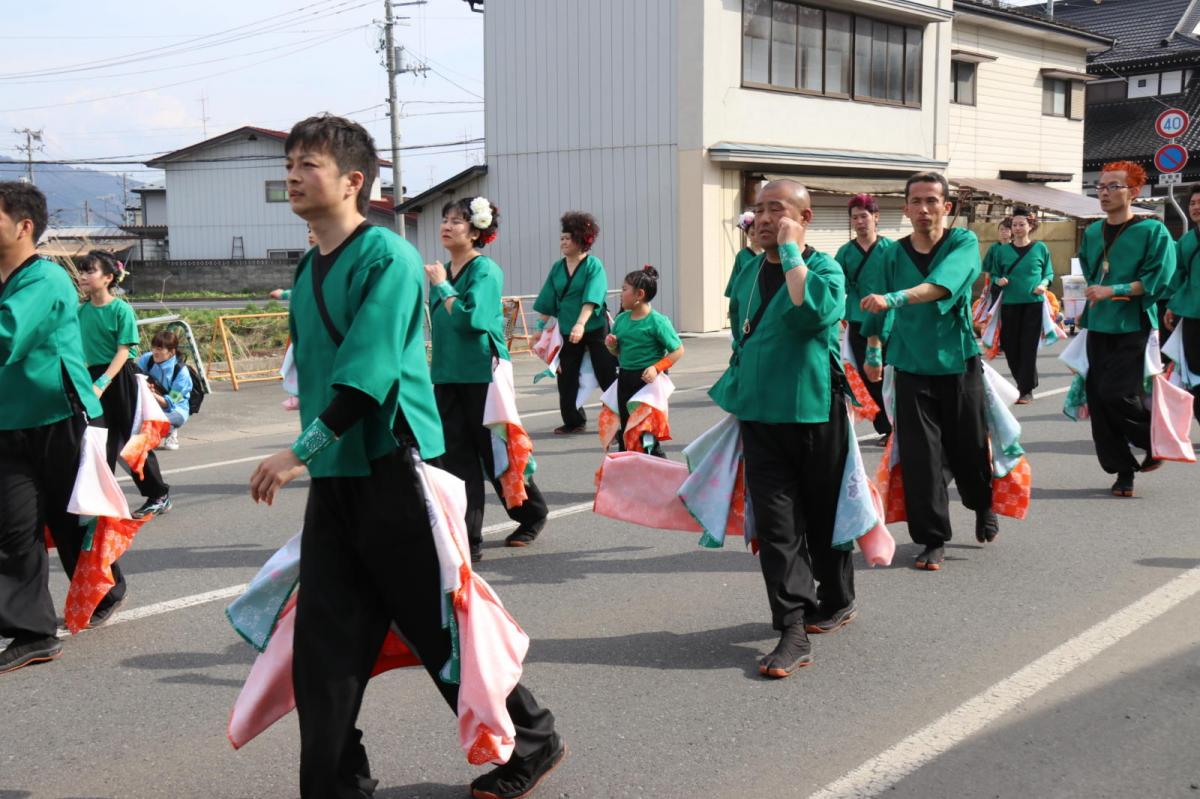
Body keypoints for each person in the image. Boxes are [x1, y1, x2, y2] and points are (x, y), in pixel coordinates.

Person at [247, 115, 562, 799]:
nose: (293, 174)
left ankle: (532, 736)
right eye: (291, 163)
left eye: (310, 164)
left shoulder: (384, 258)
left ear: (354, 181)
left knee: (437, 626)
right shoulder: (309, 268)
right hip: (337, 478)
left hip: (391, 468)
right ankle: (332, 783)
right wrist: (313, 455)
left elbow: (366, 378)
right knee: (323, 643)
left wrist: (298, 451)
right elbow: (315, 371)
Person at [709, 179, 855, 678]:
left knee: (823, 519)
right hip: (760, 414)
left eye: (777, 210)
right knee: (778, 527)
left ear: (804, 218)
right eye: (759, 210)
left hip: (815, 412)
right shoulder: (749, 268)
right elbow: (740, 327)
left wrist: (791, 250)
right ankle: (791, 627)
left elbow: (811, 311)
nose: (764, 218)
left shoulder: (824, 267)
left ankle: (836, 597)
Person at [861, 172, 998, 570]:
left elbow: (944, 285)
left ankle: (981, 503)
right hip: (910, 364)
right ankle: (932, 537)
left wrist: (895, 298)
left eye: (932, 201)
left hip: (957, 362)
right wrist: (873, 348)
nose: (923, 209)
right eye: (915, 202)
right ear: (905, 209)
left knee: (969, 448)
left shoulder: (963, 242)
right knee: (922, 456)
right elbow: (875, 306)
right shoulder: (890, 253)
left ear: (946, 207)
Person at [0, 182, 108, 672]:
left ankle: (104, 585)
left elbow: (7, 337)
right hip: (8, 423)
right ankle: (33, 631)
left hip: (61, 416)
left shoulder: (44, 280)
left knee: (73, 518)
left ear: (24, 227)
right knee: (14, 527)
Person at [425, 196, 550, 560]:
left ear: (477, 230)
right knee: (455, 459)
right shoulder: (443, 271)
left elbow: (472, 321)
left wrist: (444, 288)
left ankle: (532, 513)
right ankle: (468, 539)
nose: (447, 226)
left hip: (484, 373)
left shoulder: (485, 271)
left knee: (495, 450)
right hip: (448, 374)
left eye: (458, 221)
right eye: (446, 219)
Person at [1077, 161, 1176, 497]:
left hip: (1133, 325)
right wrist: (1089, 299)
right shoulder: (1091, 232)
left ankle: (1155, 440)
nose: (1103, 193)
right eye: (1100, 187)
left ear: (1133, 191)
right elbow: (1091, 274)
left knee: (1117, 394)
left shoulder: (1153, 230)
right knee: (1099, 401)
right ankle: (1123, 473)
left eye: (1112, 187)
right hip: (1098, 325)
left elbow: (1158, 279)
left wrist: (1114, 290)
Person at [76, 250, 172, 520]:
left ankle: (158, 494)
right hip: (92, 379)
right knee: (97, 442)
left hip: (119, 378)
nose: (83, 276)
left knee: (132, 441)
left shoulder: (121, 309)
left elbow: (123, 351)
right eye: (81, 271)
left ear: (108, 278)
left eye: (89, 271)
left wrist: (102, 382)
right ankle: (101, 501)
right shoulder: (79, 311)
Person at [533, 211, 617, 434]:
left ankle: (620, 419)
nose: (563, 241)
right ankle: (574, 420)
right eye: (562, 238)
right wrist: (538, 329)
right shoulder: (557, 268)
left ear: (582, 240)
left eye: (568, 238)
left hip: (594, 327)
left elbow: (592, 297)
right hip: (568, 329)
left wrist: (581, 324)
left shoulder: (593, 265)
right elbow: (548, 299)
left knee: (606, 372)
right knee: (566, 375)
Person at [834, 193, 896, 445]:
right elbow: (836, 286)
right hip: (858, 321)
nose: (860, 222)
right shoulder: (845, 252)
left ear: (876, 217)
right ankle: (886, 427)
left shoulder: (890, 248)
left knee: (892, 375)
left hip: (889, 320)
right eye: (855, 218)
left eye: (864, 216)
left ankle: (898, 424)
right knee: (868, 376)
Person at [604, 265, 684, 456]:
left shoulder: (657, 321)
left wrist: (656, 368)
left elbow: (678, 350)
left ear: (639, 294)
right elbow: (617, 354)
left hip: (649, 384)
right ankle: (629, 475)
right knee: (626, 431)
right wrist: (612, 346)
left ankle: (661, 476)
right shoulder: (622, 320)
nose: (620, 294)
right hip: (625, 378)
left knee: (647, 435)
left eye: (624, 290)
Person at [991, 208, 1055, 403]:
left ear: (1030, 226)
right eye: (1014, 225)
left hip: (1033, 304)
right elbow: (993, 274)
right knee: (1010, 347)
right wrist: (998, 280)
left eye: (1021, 224)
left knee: (1028, 346)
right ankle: (1027, 381)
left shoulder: (1040, 248)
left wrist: (1043, 285)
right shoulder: (1001, 251)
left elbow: (1049, 273)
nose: (1017, 228)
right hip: (1009, 303)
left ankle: (1025, 389)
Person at [1164, 183, 1200, 422]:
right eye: (1193, 203)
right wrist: (1171, 305)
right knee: (1194, 371)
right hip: (1192, 313)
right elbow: (1178, 276)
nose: (1195, 207)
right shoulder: (1186, 241)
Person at [136, 329, 193, 451]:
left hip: (176, 409)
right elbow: (135, 378)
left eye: (160, 349)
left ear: (171, 352)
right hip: (151, 404)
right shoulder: (147, 359)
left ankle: (171, 430)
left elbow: (170, 403)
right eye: (154, 348)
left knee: (151, 424)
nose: (155, 352)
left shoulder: (181, 372)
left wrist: (151, 394)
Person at [981, 217, 1013, 308]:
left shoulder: (1016, 247)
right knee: (994, 310)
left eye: (1007, 229)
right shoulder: (994, 248)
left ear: (1012, 231)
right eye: (1001, 229)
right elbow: (987, 268)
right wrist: (986, 285)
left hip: (1012, 285)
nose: (1004, 231)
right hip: (996, 284)